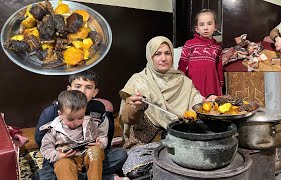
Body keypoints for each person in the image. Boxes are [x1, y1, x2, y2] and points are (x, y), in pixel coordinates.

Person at [119, 36, 217, 178]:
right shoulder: (139, 80)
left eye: (167, 53)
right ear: (150, 56)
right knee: (135, 169)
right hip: (147, 143)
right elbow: (127, 118)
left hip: (179, 141)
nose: (163, 58)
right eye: (157, 54)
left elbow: (198, 103)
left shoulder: (183, 80)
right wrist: (135, 107)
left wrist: (209, 101)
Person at [33, 70, 127, 180]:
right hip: (63, 158)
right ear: (69, 89)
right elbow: (42, 143)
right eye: (78, 86)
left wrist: (100, 144)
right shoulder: (52, 112)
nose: (82, 91)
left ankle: (82, 176)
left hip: (89, 157)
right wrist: (58, 155)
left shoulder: (99, 110)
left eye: (88, 87)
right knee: (43, 176)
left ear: (95, 92)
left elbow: (104, 137)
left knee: (120, 155)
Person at [40, 90, 106, 180]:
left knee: (97, 151)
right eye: (70, 119)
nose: (76, 122)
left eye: (80, 117)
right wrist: (58, 155)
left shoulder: (89, 123)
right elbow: (45, 149)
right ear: (60, 114)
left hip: (87, 157)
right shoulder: (53, 129)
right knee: (62, 165)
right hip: (66, 160)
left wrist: (100, 144)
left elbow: (101, 136)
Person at [178, 9, 224, 97]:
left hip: (212, 85)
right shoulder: (189, 44)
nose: (206, 28)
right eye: (202, 24)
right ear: (197, 29)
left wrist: (221, 85)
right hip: (193, 84)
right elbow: (182, 65)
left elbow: (219, 68)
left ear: (215, 27)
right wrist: (181, 82)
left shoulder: (217, 47)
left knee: (211, 108)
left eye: (209, 24)